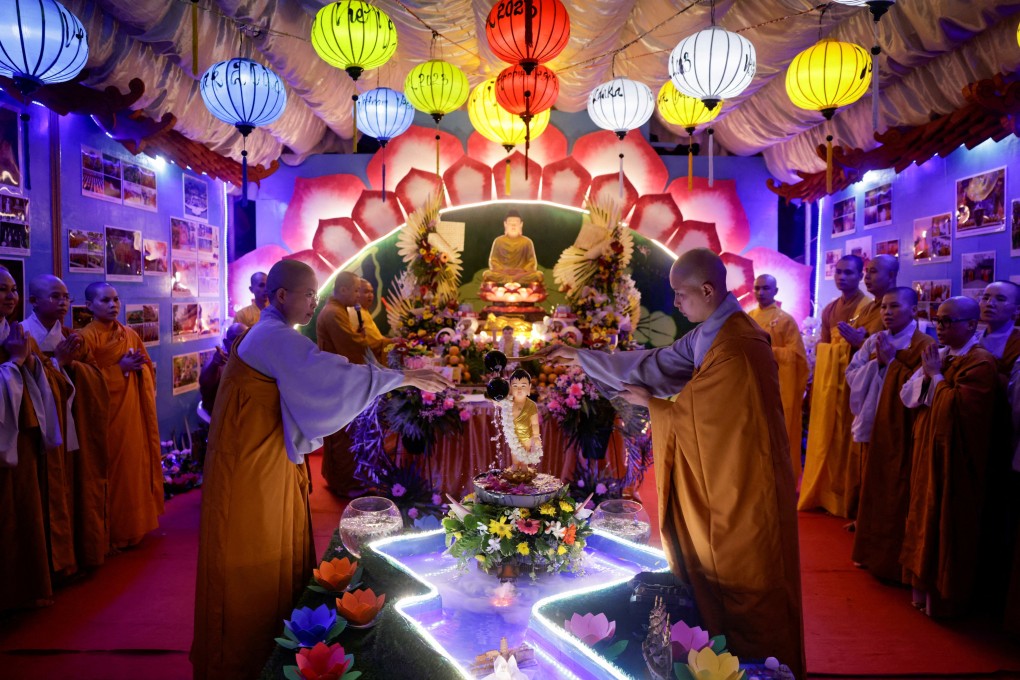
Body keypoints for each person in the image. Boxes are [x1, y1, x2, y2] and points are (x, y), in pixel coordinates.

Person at [539, 249, 805, 679]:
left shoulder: (740, 344)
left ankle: (764, 670)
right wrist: (584, 358)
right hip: (719, 478)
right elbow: (656, 364)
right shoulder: (710, 333)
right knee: (714, 578)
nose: (676, 304)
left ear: (707, 289)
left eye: (680, 295)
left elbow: (717, 418)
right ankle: (717, 664)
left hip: (745, 487)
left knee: (750, 587)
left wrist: (656, 408)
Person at [191, 260, 451, 680]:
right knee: (253, 549)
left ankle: (273, 636)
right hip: (252, 467)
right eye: (309, 294)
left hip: (258, 456)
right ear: (280, 297)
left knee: (271, 543)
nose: (315, 301)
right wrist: (403, 376)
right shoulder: (273, 335)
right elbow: (330, 373)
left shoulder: (272, 332)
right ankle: (244, 653)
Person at [899, 296, 997, 617]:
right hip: (928, 449)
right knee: (922, 514)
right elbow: (908, 396)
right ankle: (920, 589)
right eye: (937, 320)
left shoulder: (980, 362)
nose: (939, 327)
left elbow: (960, 410)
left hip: (954, 459)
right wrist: (930, 374)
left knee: (944, 520)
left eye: (947, 321)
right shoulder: (940, 356)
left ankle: (943, 598)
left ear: (971, 324)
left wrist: (936, 377)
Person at [846, 288, 934, 581]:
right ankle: (869, 551)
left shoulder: (924, 343)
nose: (887, 312)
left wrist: (891, 364)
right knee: (871, 486)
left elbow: (922, 387)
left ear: (913, 310)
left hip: (901, 429)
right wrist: (878, 363)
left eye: (895, 306)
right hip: (874, 421)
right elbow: (852, 374)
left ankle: (893, 559)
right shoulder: (874, 340)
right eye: (884, 306)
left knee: (897, 491)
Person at [24, 275, 110, 570]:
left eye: (65, 297)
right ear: (34, 301)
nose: (62, 302)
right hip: (37, 430)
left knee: (75, 485)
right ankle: (45, 567)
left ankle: (74, 557)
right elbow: (19, 385)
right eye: (54, 296)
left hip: (72, 424)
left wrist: (71, 364)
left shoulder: (72, 337)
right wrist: (58, 364)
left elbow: (97, 378)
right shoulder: (22, 336)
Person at [79, 282, 163, 551]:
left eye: (116, 299)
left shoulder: (129, 334)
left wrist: (139, 370)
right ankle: (113, 531)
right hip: (105, 417)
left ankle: (135, 526)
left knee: (133, 468)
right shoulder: (85, 338)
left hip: (131, 413)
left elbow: (147, 366)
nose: (113, 305)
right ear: (90, 305)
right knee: (112, 472)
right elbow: (83, 382)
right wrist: (120, 370)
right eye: (105, 300)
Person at [0, 267, 64, 610]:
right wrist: (14, 363)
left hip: (22, 434)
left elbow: (42, 380)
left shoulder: (16, 333)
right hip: (3, 436)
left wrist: (30, 364)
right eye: (1, 290)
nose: (10, 296)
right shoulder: (18, 339)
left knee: (25, 509)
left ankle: (24, 588)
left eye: (13, 289)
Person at [799, 255, 868, 518]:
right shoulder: (829, 309)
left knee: (846, 438)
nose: (842, 277)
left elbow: (868, 349)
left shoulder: (868, 307)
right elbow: (823, 350)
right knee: (826, 435)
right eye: (838, 272)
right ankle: (824, 493)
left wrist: (855, 343)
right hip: (830, 385)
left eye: (849, 272)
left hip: (854, 384)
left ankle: (845, 498)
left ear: (860, 275)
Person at [316, 272, 372, 496]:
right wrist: (364, 339)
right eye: (357, 290)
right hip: (336, 381)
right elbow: (351, 345)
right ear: (344, 289)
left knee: (339, 433)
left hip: (336, 379)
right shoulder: (333, 313)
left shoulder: (338, 311)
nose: (359, 295)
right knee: (342, 434)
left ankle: (336, 478)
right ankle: (344, 484)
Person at [748, 274, 808, 478]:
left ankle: (780, 481)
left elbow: (798, 357)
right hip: (751, 386)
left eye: (766, 288)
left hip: (779, 388)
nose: (761, 292)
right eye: (757, 288)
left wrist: (769, 351)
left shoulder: (785, 320)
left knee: (777, 434)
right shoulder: (748, 317)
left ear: (775, 291)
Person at [481, 210, 544, 286]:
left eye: (516, 222)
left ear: (521, 224)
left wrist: (521, 271)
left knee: (539, 275)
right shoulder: (498, 241)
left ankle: (509, 281)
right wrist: (503, 270)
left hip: (521, 274)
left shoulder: (527, 242)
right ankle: (513, 281)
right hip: (503, 273)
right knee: (487, 274)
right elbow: (493, 261)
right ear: (505, 224)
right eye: (510, 222)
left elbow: (532, 262)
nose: (513, 225)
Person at [198, 323, 247, 414]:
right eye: (237, 339)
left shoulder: (246, 359)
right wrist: (214, 365)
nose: (242, 342)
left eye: (246, 338)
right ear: (226, 342)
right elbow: (205, 385)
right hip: (221, 414)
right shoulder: (218, 360)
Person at [504, 368, 542, 470]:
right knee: (515, 454)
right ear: (510, 388)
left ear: (529, 387)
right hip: (514, 436)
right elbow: (498, 403)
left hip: (527, 436)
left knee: (524, 456)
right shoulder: (508, 403)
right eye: (515, 386)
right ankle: (515, 465)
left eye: (523, 386)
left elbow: (534, 423)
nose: (519, 389)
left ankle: (524, 467)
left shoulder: (531, 405)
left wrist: (536, 436)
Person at [357, 278, 390, 362]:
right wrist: (390, 342)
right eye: (366, 292)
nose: (370, 295)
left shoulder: (364, 310)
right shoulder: (357, 313)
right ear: (356, 293)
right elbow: (372, 344)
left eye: (371, 292)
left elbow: (377, 338)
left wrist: (391, 341)